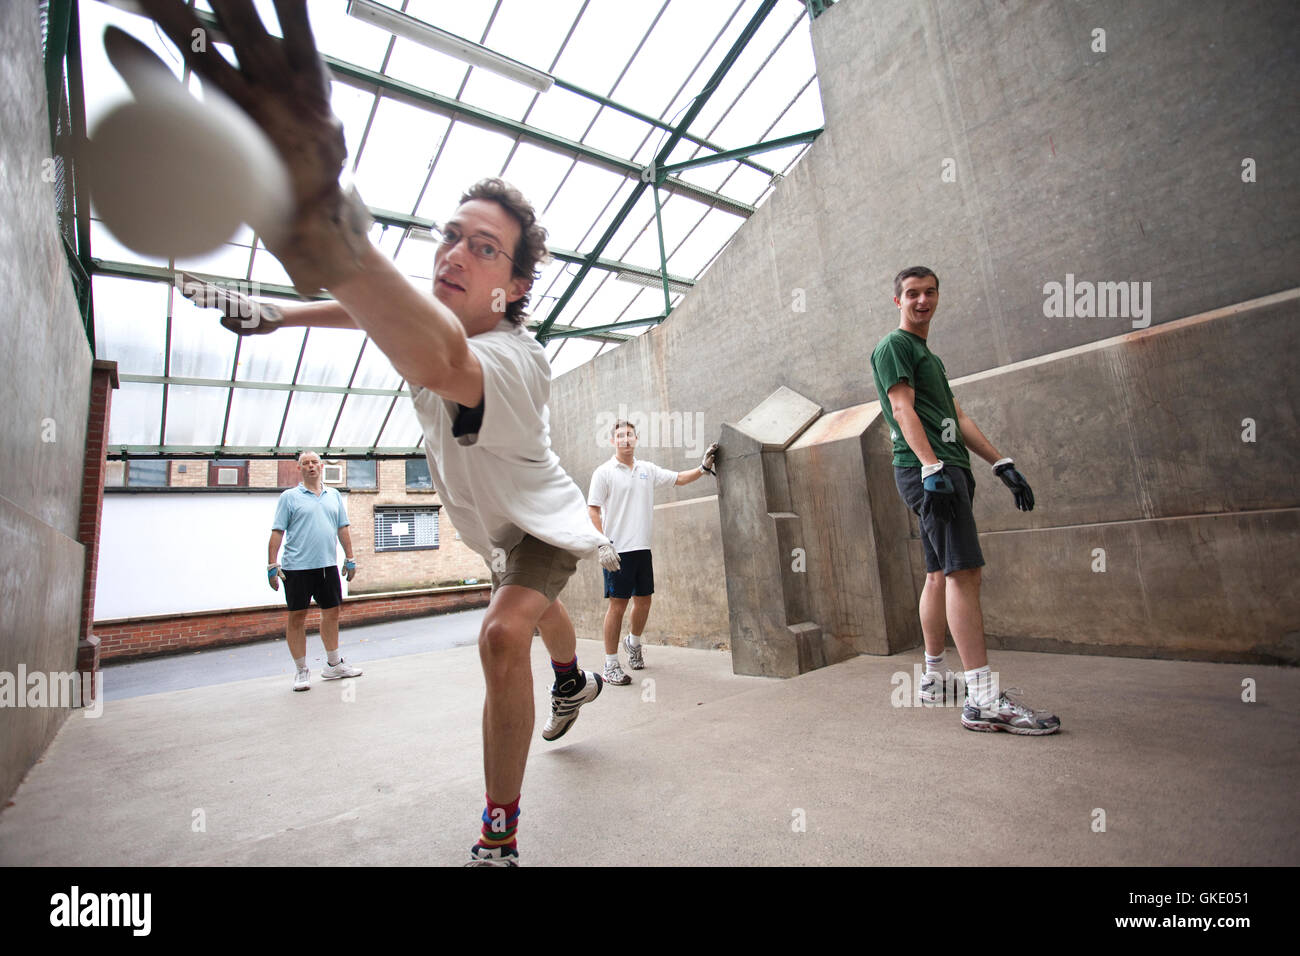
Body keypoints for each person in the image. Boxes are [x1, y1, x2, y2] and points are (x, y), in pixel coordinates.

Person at [870, 266, 1060, 735]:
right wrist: (931, 465)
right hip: (930, 470)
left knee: (939, 575)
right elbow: (900, 408)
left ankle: (934, 679)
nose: (921, 301)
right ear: (897, 301)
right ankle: (983, 699)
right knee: (963, 573)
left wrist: (1000, 463)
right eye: (912, 294)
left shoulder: (927, 356)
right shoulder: (894, 346)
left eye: (929, 292)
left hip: (943, 467)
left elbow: (957, 413)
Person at [587, 421, 717, 684]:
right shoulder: (604, 472)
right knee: (618, 606)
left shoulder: (647, 469)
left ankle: (633, 644)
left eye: (629, 435)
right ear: (613, 441)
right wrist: (602, 543)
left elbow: (678, 478)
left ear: (636, 439)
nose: (625, 439)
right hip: (616, 551)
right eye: (620, 436)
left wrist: (703, 469)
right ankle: (611, 664)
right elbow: (593, 509)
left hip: (642, 549)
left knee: (644, 601)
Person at [269, 451, 361, 692]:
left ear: (321, 467)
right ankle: (301, 670)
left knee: (331, 613)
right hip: (296, 568)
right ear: (299, 469)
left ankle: (333, 665)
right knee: (296, 617)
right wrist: (272, 564)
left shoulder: (334, 495)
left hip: (327, 566)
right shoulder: (289, 497)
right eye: (305, 463)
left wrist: (350, 558)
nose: (311, 466)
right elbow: (277, 531)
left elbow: (343, 528)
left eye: (314, 462)